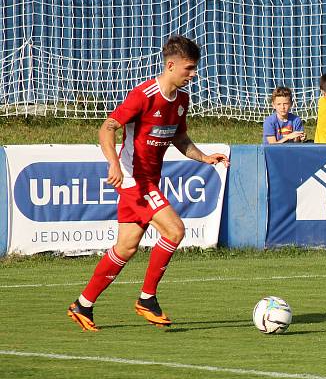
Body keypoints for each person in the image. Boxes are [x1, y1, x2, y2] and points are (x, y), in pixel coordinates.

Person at [67, 35, 230, 331]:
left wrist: (205, 158)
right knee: (175, 229)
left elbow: (179, 138)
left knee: (126, 248)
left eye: (194, 69)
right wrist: (114, 163)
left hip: (149, 179)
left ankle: (83, 304)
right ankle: (147, 298)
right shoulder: (144, 95)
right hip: (134, 180)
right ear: (171, 65)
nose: (193, 75)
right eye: (189, 69)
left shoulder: (181, 99)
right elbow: (107, 127)